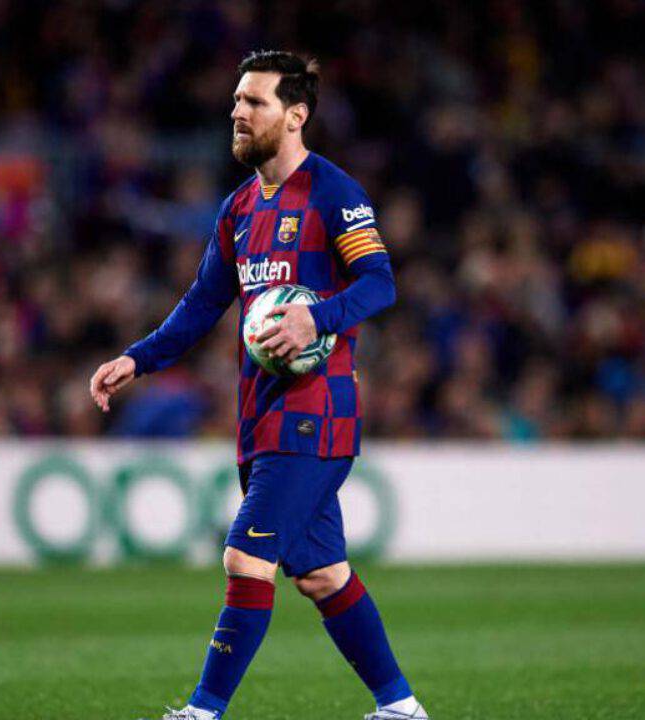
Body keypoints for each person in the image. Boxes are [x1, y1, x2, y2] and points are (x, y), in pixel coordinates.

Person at [89, 50, 427, 720]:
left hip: (316, 413)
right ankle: (400, 707)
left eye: (255, 102)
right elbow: (202, 302)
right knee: (322, 576)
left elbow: (380, 282)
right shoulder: (239, 207)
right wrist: (139, 358)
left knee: (246, 559)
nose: (238, 112)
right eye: (237, 100)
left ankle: (202, 711)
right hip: (262, 414)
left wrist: (316, 317)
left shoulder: (334, 192)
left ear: (295, 116)